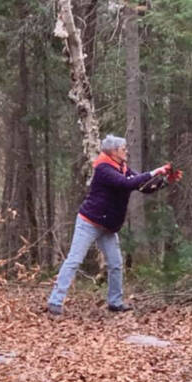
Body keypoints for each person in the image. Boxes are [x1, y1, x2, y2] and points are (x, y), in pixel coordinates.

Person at [47, 134, 171, 316]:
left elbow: (140, 185)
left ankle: (115, 302)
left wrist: (162, 181)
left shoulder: (122, 167)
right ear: (114, 152)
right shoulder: (104, 169)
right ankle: (55, 302)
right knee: (74, 260)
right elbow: (124, 184)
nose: (126, 151)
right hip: (89, 222)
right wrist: (154, 172)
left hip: (108, 226)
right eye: (123, 149)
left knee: (115, 264)